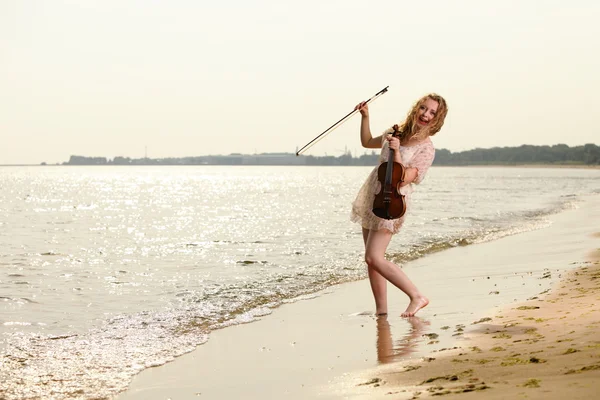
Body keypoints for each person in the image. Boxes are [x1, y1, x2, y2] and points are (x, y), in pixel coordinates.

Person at [351, 94, 448, 317]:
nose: (425, 114)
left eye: (432, 112)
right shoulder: (393, 133)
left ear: (437, 119)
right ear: (416, 109)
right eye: (423, 108)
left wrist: (396, 152)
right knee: (371, 260)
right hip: (373, 194)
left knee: (374, 257)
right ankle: (381, 312)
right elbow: (366, 142)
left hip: (392, 200)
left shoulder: (426, 148)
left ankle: (416, 296)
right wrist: (365, 117)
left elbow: (403, 178)